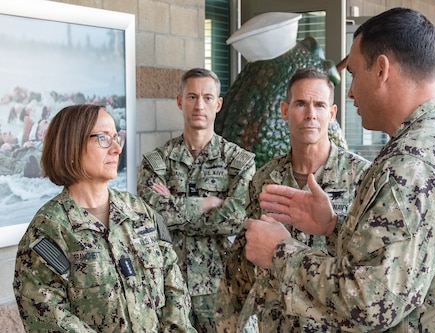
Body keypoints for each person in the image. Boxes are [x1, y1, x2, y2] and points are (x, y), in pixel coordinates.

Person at [242, 7, 435, 331]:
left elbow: (369, 302)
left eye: (352, 74)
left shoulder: (412, 164)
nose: (350, 92)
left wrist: (279, 252)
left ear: (381, 70)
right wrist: (334, 227)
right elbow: (412, 261)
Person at [13, 104, 195, 332]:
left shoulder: (139, 211)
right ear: (72, 145)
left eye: (116, 137)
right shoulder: (49, 231)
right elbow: (51, 318)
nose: (117, 148)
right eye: (103, 138)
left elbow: (173, 282)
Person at [215, 68, 370, 332]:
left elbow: (369, 264)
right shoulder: (264, 179)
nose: (310, 114)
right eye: (301, 104)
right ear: (285, 110)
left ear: (331, 114)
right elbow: (241, 264)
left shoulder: (362, 178)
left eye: (319, 105)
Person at [137, 68, 256, 332]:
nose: (199, 105)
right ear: (180, 101)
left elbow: (236, 219)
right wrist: (207, 203)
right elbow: (151, 218)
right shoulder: (157, 162)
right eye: (191, 97)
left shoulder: (238, 162)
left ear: (218, 104)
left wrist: (175, 206)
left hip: (223, 289)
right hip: (168, 287)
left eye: (207, 97)